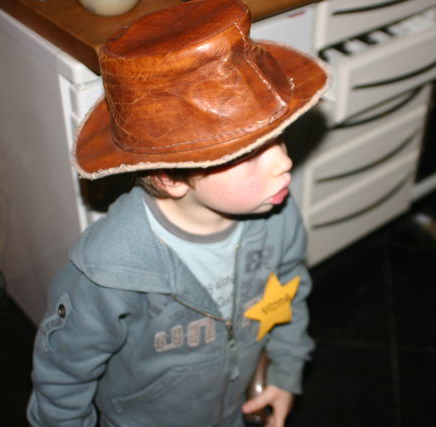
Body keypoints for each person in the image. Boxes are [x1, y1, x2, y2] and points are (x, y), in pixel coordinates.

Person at [26, 0, 329, 426]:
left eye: (278, 137)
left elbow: (289, 292)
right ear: (170, 177)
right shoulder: (107, 270)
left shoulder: (277, 214)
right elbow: (63, 378)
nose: (285, 162)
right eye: (248, 154)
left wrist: (285, 371)